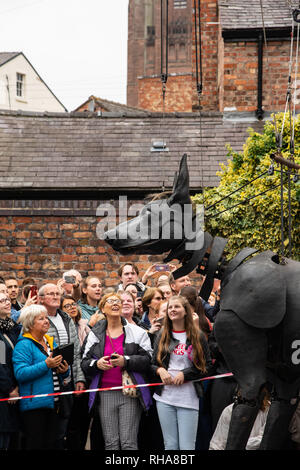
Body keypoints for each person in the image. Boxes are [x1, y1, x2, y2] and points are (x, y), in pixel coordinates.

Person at [81, 292, 153, 450]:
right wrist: (97, 363)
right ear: (102, 309)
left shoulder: (137, 332)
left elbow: (148, 360)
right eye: (110, 301)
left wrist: (125, 361)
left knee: (128, 443)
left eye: (118, 301)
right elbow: (84, 363)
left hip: (129, 393)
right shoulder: (95, 334)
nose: (115, 304)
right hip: (105, 393)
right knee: (111, 444)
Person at [151, 295, 213, 450]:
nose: (172, 310)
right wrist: (160, 370)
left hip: (188, 398)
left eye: (177, 306)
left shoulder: (197, 336)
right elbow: (152, 364)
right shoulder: (162, 334)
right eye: (170, 307)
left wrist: (185, 374)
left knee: (187, 447)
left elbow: (207, 366)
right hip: (165, 398)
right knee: (170, 445)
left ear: (186, 311)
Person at [12, 304, 69, 450]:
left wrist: (64, 370)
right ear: (30, 323)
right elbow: (20, 373)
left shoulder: (50, 341)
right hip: (34, 405)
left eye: (47, 318)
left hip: (54, 403)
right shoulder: (23, 345)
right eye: (41, 319)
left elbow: (57, 370)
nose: (46, 321)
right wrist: (46, 365)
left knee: (54, 444)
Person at [38, 283, 86, 449]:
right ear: (41, 299)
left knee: (65, 428)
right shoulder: (37, 319)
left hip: (68, 379)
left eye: (57, 293)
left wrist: (79, 377)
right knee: (47, 432)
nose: (55, 296)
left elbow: (76, 352)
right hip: (47, 381)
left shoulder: (66, 318)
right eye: (51, 294)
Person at [60, 294, 91, 450]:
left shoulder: (85, 326)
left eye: (73, 304)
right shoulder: (62, 329)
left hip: (84, 377)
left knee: (82, 420)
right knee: (69, 422)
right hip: (67, 378)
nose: (72, 307)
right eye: (67, 306)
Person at [0, 292, 21, 450]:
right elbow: (0, 363)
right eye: (1, 301)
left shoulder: (13, 328)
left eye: (7, 299)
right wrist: (10, 388)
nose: (7, 303)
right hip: (5, 392)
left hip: (17, 387)